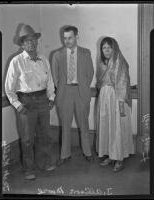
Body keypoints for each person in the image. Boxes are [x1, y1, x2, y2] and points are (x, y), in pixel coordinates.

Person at [5, 24, 56, 180]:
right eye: (27, 41)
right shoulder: (16, 62)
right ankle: (29, 169)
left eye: (33, 39)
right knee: (27, 139)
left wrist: (51, 97)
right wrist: (18, 105)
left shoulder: (44, 60)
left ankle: (45, 163)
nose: (31, 43)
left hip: (43, 100)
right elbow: (9, 88)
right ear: (22, 44)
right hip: (26, 102)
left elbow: (50, 81)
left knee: (45, 135)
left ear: (37, 41)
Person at [52, 26, 94, 165]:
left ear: (77, 36)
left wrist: (81, 86)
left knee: (84, 124)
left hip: (81, 92)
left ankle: (87, 152)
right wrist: (65, 87)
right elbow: (55, 77)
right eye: (64, 38)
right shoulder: (57, 55)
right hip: (64, 93)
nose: (67, 41)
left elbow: (90, 74)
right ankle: (65, 155)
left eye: (70, 37)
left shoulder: (85, 53)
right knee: (65, 125)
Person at [96, 37, 134, 172]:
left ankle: (119, 158)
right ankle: (110, 155)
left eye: (109, 47)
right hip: (105, 96)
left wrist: (121, 103)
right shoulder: (102, 62)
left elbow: (123, 83)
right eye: (104, 48)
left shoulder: (120, 62)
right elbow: (100, 81)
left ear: (115, 48)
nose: (106, 50)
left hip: (117, 97)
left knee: (117, 126)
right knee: (107, 125)